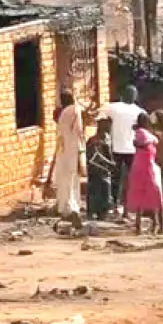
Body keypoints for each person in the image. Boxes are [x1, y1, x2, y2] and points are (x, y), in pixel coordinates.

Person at [100, 85, 146, 211]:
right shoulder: (139, 111)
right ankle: (130, 203)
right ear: (135, 97)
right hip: (133, 149)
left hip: (116, 148)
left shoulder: (113, 107)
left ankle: (115, 202)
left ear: (123, 95)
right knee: (132, 177)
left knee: (116, 177)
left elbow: (100, 115)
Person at [126, 113, 163, 235]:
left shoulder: (141, 133)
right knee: (156, 197)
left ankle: (143, 225)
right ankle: (159, 225)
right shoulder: (143, 134)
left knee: (142, 197)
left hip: (141, 168)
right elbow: (150, 140)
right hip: (147, 169)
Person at [54, 91, 85, 228]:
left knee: (64, 178)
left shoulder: (62, 113)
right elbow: (78, 130)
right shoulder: (74, 110)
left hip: (63, 148)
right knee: (73, 178)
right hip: (73, 147)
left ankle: (63, 205)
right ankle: (72, 206)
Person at [86, 117, 115, 221]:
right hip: (96, 170)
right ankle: (93, 212)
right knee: (97, 190)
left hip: (102, 170)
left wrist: (110, 163)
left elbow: (108, 155)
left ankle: (101, 212)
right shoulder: (94, 141)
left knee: (103, 191)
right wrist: (109, 163)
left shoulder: (106, 138)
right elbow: (94, 157)